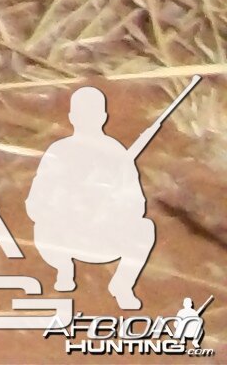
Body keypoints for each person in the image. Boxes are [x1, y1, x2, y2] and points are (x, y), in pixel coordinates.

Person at [28, 85, 160, 310]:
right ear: (72, 117)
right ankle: (64, 270)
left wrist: (110, 203)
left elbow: (137, 204)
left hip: (104, 235)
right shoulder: (59, 151)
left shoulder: (117, 154)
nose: (87, 119)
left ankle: (122, 285)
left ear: (103, 117)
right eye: (82, 114)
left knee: (145, 228)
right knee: (43, 228)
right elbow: (35, 203)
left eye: (92, 113)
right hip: (65, 236)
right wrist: (69, 205)